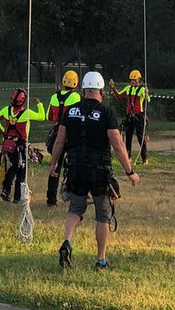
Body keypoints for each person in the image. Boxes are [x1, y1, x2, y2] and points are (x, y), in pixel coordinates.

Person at [49, 71, 139, 271]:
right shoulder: (106, 113)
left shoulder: (70, 111)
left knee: (75, 209)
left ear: (83, 90)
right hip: (99, 170)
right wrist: (129, 171)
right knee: (102, 215)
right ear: (102, 90)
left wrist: (53, 164)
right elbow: (117, 144)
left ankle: (67, 242)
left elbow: (59, 140)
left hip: (75, 168)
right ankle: (101, 260)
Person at [0, 88, 46, 203]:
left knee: (13, 167)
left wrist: (2, 132)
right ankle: (17, 196)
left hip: (8, 144)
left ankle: (6, 190)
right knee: (21, 170)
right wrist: (39, 104)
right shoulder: (26, 113)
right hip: (20, 145)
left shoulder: (6, 110)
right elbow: (42, 116)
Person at [45, 70, 81, 207]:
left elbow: (50, 116)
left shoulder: (54, 97)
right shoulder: (76, 97)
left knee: (55, 166)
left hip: (57, 133)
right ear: (76, 82)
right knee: (72, 164)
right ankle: (70, 192)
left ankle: (51, 199)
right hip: (71, 134)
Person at [111, 69, 150, 163]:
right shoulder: (128, 88)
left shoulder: (142, 89)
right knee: (128, 136)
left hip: (139, 116)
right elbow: (119, 96)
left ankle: (144, 158)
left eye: (134, 80)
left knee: (140, 137)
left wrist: (146, 94)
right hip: (129, 115)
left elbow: (147, 100)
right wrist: (113, 88)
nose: (132, 81)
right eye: (131, 80)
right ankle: (128, 156)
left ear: (139, 79)